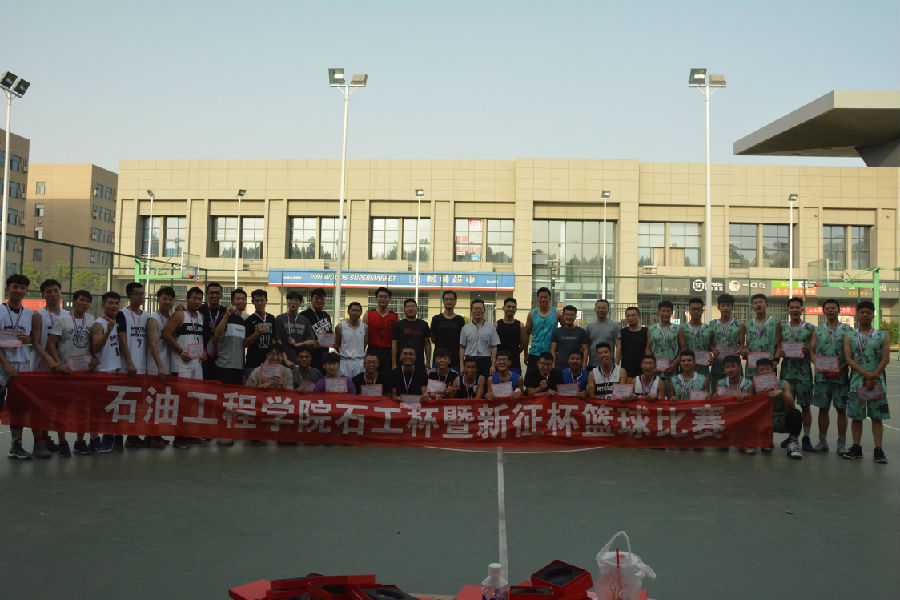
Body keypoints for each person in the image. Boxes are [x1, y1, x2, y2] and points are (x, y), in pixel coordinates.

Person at [46, 289, 97, 456]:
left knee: (82, 409)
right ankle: (62, 442)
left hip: (84, 372)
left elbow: (95, 343)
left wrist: (95, 358)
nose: (84, 303)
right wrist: (57, 364)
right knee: (62, 409)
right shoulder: (62, 320)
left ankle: (80, 442)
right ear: (74, 301)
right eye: (81, 300)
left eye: (87, 301)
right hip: (65, 372)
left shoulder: (92, 320)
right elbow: (51, 343)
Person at [842, 300, 890, 463]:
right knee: (856, 417)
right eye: (862, 312)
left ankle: (878, 450)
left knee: (877, 417)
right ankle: (856, 447)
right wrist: (865, 374)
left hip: (876, 382)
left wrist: (873, 376)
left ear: (873, 315)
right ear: (857, 315)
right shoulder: (850, 336)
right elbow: (849, 359)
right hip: (857, 382)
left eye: (868, 313)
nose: (865, 315)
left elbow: (885, 359)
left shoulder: (882, 335)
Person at [1, 274, 42, 460]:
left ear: (26, 291)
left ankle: (15, 446)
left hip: (22, 367)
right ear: (8, 288)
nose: (19, 291)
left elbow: (35, 339)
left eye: (23, 288)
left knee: (18, 408)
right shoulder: (0, 311)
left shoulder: (30, 314)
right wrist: (7, 366)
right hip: (3, 366)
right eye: (15, 287)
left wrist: (29, 339)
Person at [809, 298, 854, 455]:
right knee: (823, 409)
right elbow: (812, 350)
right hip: (822, 378)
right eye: (827, 308)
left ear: (839, 310)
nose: (830, 311)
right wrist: (817, 364)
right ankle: (822, 442)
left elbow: (852, 353)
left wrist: (843, 366)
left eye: (833, 308)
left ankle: (841, 444)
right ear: (823, 311)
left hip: (840, 377)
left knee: (841, 410)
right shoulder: (818, 330)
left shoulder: (848, 330)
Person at [163, 287, 207, 449]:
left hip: (197, 364)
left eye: (200, 299)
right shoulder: (180, 315)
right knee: (182, 401)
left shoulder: (201, 317)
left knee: (195, 400)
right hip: (182, 365)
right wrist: (181, 352)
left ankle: (189, 434)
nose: (197, 301)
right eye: (194, 298)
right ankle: (178, 437)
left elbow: (198, 337)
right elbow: (167, 335)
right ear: (188, 299)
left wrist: (203, 350)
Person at [30, 279, 68, 454]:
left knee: (58, 406)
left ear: (61, 293)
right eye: (49, 291)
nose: (53, 294)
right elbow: (36, 343)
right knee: (40, 407)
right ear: (43, 295)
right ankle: (39, 442)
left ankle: (50, 439)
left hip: (62, 368)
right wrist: (50, 360)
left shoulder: (67, 315)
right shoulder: (39, 315)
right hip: (42, 367)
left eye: (56, 290)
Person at [776, 296, 815, 451]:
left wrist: (807, 350)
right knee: (788, 406)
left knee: (805, 406)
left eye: (797, 307)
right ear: (788, 310)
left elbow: (814, 349)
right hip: (787, 372)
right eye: (791, 307)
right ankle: (792, 436)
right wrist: (780, 352)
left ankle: (806, 437)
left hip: (804, 373)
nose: (794, 310)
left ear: (802, 310)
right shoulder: (782, 327)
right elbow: (778, 345)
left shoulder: (810, 327)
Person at [115, 282, 151, 448]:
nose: (141, 296)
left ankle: (133, 435)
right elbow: (122, 340)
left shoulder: (147, 316)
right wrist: (129, 362)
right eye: (137, 294)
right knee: (122, 403)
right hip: (126, 367)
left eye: (142, 293)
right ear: (129, 296)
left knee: (137, 404)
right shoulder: (122, 314)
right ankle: (117, 437)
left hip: (142, 367)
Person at [92, 291, 125, 453]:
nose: (114, 306)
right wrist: (107, 332)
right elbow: (96, 347)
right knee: (101, 408)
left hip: (116, 370)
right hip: (103, 371)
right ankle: (95, 440)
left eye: (116, 303)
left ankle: (108, 438)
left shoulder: (117, 322)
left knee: (113, 408)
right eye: (110, 303)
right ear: (103, 304)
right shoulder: (99, 324)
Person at [750, 357, 802, 459]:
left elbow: (792, 405)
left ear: (773, 369)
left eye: (767, 369)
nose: (764, 372)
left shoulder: (783, 383)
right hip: (763, 419)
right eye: (761, 370)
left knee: (796, 414)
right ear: (757, 372)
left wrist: (781, 393)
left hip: (781, 418)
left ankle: (792, 443)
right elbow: (749, 404)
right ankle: (765, 440)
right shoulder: (754, 385)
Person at [709, 293, 746, 392]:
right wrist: (712, 349)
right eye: (723, 305)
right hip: (718, 362)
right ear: (718, 307)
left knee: (736, 389)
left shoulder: (739, 324)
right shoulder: (712, 324)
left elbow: (742, 343)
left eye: (728, 305)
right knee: (717, 389)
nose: (725, 308)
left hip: (734, 362)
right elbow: (709, 343)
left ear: (732, 307)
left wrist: (739, 350)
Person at [213, 289, 248, 386]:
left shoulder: (243, 320)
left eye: (243, 299)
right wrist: (226, 316)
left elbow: (243, 345)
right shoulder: (224, 316)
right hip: (224, 366)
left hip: (239, 367)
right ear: (232, 301)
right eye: (238, 299)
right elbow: (217, 334)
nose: (241, 301)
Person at [274, 290, 314, 372]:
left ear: (300, 303)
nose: (293, 302)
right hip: (282, 361)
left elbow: (311, 341)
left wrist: (297, 344)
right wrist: (284, 359)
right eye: (290, 300)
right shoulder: (279, 319)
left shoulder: (305, 320)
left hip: (300, 362)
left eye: (296, 300)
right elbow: (277, 340)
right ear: (287, 302)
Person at [743, 293, 781, 378]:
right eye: (755, 303)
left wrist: (776, 359)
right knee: (751, 386)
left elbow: (779, 344)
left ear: (766, 305)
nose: (758, 305)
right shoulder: (747, 324)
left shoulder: (776, 323)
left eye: (761, 302)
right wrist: (745, 351)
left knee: (768, 386)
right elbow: (747, 345)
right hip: (752, 365)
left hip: (769, 364)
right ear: (752, 307)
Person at [460, 298, 500, 377]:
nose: (478, 311)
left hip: (485, 361)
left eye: (480, 308)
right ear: (471, 311)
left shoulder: (491, 328)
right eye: (475, 308)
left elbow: (494, 347)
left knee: (485, 383)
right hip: (469, 361)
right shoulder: (465, 328)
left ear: (484, 310)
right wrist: (461, 366)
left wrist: (493, 365)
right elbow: (462, 347)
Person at [364, 287, 398, 379]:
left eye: (386, 297)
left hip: (388, 352)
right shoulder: (368, 314)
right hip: (372, 351)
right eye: (380, 296)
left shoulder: (395, 316)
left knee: (387, 378)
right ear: (376, 299)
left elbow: (396, 340)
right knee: (371, 377)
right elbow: (364, 337)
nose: (383, 299)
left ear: (389, 299)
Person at [244, 289, 276, 382]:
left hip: (269, 363)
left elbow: (274, 339)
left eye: (262, 300)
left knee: (268, 388)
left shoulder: (271, 318)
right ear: (252, 302)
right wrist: (257, 333)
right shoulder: (249, 320)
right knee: (252, 389)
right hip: (252, 363)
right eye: (257, 300)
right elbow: (245, 344)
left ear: (266, 301)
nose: (259, 303)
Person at [524, 287, 560, 370]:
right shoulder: (532, 314)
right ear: (537, 299)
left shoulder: (557, 313)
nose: (543, 299)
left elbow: (564, 331)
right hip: (534, 353)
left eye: (545, 297)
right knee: (532, 378)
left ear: (549, 298)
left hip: (550, 354)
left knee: (550, 378)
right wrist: (526, 354)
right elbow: (526, 334)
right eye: (541, 297)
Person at [678, 297, 713, 382]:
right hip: (687, 367)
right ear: (689, 310)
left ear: (702, 311)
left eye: (698, 309)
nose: (696, 312)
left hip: (703, 367)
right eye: (693, 309)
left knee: (703, 387)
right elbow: (682, 348)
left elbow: (710, 347)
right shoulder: (682, 328)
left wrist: (711, 356)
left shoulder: (709, 329)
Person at [430, 290, 465, 372]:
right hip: (439, 359)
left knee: (455, 380)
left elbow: (462, 341)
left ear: (455, 302)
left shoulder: (460, 320)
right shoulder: (436, 319)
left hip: (455, 360)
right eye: (446, 299)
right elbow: (433, 338)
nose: (449, 301)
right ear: (443, 301)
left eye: (451, 299)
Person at [391, 299, 431, 370]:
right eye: (408, 307)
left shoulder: (424, 324)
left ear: (417, 309)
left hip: (419, 362)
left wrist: (428, 362)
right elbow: (394, 344)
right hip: (401, 362)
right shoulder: (398, 325)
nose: (410, 309)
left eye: (413, 306)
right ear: (404, 310)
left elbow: (427, 343)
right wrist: (394, 364)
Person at [300, 287, 333, 372]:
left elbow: (329, 334)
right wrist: (310, 344)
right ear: (311, 300)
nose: (319, 301)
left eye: (322, 298)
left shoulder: (326, 316)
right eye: (317, 298)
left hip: (324, 358)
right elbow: (300, 337)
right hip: (309, 358)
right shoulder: (303, 315)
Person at [199, 282, 227, 380]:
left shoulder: (225, 311)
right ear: (207, 295)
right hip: (203, 354)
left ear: (221, 295)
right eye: (211, 293)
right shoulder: (199, 310)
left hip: (221, 356)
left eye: (217, 293)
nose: (214, 296)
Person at [646, 301, 679, 384]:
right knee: (656, 391)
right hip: (655, 370)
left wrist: (674, 364)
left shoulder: (678, 329)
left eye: (668, 311)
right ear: (659, 312)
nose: (665, 314)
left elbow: (683, 348)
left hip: (672, 370)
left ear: (671, 312)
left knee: (671, 391)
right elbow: (648, 348)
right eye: (663, 311)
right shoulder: (652, 329)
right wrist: (651, 364)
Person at [550, 305, 588, 371]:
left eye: (572, 315)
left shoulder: (582, 332)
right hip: (560, 367)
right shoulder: (557, 332)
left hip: (577, 367)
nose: (569, 317)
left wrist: (584, 367)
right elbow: (553, 350)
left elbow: (585, 350)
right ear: (563, 316)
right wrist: (553, 366)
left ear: (575, 316)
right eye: (567, 315)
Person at [334, 302, 367, 378]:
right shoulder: (340, 327)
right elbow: (336, 345)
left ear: (361, 312)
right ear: (348, 312)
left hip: (360, 362)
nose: (355, 313)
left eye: (358, 311)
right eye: (353, 310)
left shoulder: (365, 327)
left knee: (358, 384)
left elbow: (364, 344)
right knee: (345, 384)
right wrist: (345, 353)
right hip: (344, 362)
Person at [586, 299, 620, 369]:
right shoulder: (589, 327)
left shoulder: (615, 326)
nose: (601, 310)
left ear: (608, 310)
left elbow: (618, 346)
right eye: (599, 308)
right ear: (595, 309)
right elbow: (586, 348)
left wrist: (616, 366)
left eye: (604, 308)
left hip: (610, 366)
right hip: (592, 365)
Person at [495, 297, 524, 375]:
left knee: (516, 382)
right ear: (503, 308)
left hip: (515, 363)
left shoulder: (520, 326)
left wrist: (514, 353)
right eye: (508, 306)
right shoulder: (496, 325)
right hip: (499, 364)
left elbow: (522, 345)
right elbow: (493, 346)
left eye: (513, 307)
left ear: (516, 309)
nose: (511, 309)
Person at [619, 306, 648, 381]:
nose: (630, 318)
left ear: (639, 317)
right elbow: (619, 350)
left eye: (633, 315)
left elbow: (648, 350)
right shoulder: (622, 332)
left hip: (643, 371)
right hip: (626, 371)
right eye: (628, 316)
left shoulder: (646, 331)